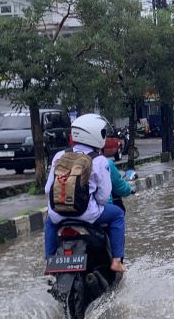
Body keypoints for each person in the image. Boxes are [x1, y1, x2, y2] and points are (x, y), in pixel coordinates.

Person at [44, 113, 126, 272]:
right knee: (117, 214)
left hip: (59, 214)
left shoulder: (59, 156)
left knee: (50, 220)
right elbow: (102, 198)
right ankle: (116, 261)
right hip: (87, 215)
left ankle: (49, 261)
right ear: (94, 134)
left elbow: (48, 190)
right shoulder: (100, 160)